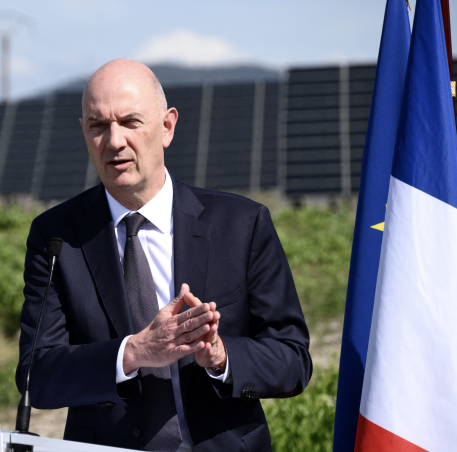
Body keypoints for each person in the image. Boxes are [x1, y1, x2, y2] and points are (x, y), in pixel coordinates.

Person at [16, 59, 312, 452]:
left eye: (130, 122)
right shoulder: (57, 237)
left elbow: (292, 360)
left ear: (167, 127)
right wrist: (134, 352)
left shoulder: (241, 224)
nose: (114, 141)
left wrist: (222, 357)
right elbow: (38, 375)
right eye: (98, 126)